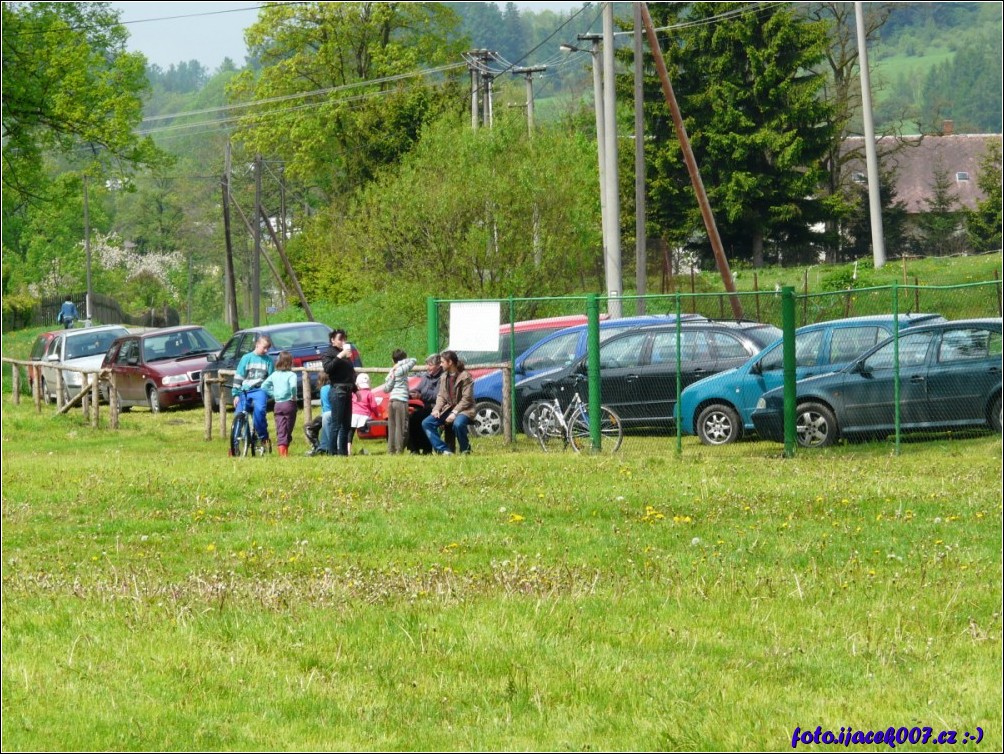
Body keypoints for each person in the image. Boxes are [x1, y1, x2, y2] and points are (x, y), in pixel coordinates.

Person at [422, 350, 475, 455]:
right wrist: (436, 409)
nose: (440, 364)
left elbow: (466, 399)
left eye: (442, 362)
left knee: (458, 424)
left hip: (464, 409)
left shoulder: (465, 376)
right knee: (427, 423)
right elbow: (441, 395)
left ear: (450, 362)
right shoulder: (444, 376)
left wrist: (454, 413)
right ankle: (444, 450)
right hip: (448, 408)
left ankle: (465, 450)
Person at [233, 335, 275, 453]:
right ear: (257, 344)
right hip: (245, 390)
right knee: (238, 414)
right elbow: (239, 376)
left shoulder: (268, 361)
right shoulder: (246, 358)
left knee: (260, 411)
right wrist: (236, 394)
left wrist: (270, 393)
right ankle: (234, 445)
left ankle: (263, 437)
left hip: (260, 390)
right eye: (264, 347)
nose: (266, 351)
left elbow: (271, 379)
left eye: (268, 348)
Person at [321, 328, 356, 456]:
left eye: (344, 339)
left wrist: (355, 390)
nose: (343, 341)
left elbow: (350, 373)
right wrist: (340, 356)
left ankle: (343, 453)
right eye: (340, 339)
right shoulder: (328, 353)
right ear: (333, 340)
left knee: (346, 425)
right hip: (337, 390)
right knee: (336, 424)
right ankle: (332, 452)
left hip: (347, 390)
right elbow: (328, 368)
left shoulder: (346, 354)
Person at [261, 351, 298, 457]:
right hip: (289, 404)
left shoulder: (274, 375)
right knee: (288, 428)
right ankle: (285, 450)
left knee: (280, 428)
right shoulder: (291, 375)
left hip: (277, 405)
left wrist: (273, 394)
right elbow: (293, 387)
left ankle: (282, 453)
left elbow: (264, 386)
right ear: (290, 362)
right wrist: (293, 396)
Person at [408, 353, 443, 454]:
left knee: (424, 420)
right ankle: (414, 449)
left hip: (437, 408)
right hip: (426, 407)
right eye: (427, 364)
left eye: (430, 365)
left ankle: (427, 449)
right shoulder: (426, 376)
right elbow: (418, 389)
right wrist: (410, 393)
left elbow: (438, 395)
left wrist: (421, 395)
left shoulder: (442, 377)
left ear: (438, 365)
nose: (428, 367)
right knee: (411, 418)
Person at [383, 349, 417, 454]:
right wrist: (400, 363)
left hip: (392, 401)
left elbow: (386, 389)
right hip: (401, 401)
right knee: (401, 427)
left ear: (392, 360)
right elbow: (414, 360)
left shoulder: (392, 372)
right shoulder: (401, 369)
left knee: (392, 427)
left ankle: (391, 450)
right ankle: (399, 450)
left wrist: (395, 366)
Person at [349, 372, 379, 455]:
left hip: (353, 415)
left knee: (350, 432)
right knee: (364, 428)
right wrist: (377, 414)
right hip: (364, 416)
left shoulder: (354, 393)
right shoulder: (370, 393)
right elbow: (373, 406)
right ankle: (363, 429)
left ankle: (348, 450)